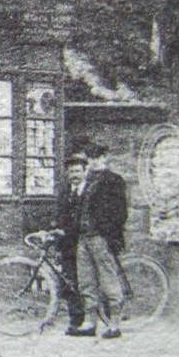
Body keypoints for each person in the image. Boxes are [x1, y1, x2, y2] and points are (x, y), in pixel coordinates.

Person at [71, 142, 128, 339]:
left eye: (97, 157)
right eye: (91, 157)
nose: (94, 161)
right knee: (86, 282)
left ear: (105, 158)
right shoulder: (87, 181)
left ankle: (114, 324)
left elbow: (120, 213)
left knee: (108, 280)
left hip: (101, 238)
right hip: (84, 237)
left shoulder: (114, 180)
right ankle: (89, 323)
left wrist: (108, 233)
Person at [51, 153, 88, 333]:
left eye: (78, 171)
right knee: (69, 281)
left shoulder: (88, 191)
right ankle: (75, 320)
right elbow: (59, 214)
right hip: (67, 244)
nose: (74, 174)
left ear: (84, 171)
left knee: (87, 281)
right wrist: (57, 229)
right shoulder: (65, 191)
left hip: (83, 241)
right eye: (71, 171)